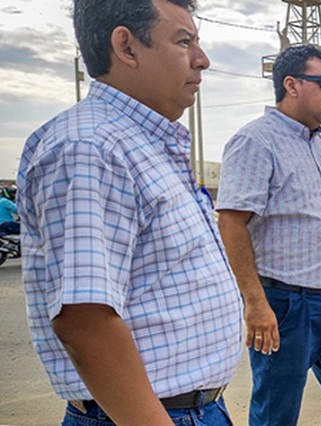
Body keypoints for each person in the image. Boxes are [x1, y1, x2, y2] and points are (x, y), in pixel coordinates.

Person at [15, 0, 242, 424]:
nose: (202, 59)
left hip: (190, 409)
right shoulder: (91, 147)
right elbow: (85, 320)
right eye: (184, 42)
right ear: (126, 46)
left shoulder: (138, 142)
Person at [216, 44, 321, 426]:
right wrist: (255, 303)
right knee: (277, 414)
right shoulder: (256, 142)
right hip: (289, 306)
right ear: (292, 85)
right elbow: (232, 223)